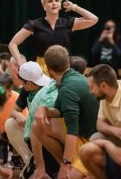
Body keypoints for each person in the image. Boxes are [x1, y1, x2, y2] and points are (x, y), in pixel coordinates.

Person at [33, 45, 99, 179]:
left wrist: (66, 164)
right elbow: (58, 111)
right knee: (37, 126)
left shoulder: (67, 89)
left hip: (90, 142)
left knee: (70, 176)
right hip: (84, 135)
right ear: (68, 62)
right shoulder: (72, 79)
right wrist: (43, 108)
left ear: (48, 70)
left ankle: (68, 167)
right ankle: (67, 166)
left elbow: (72, 130)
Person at [9, 0, 98, 73]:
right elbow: (13, 44)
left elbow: (94, 19)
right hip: (42, 70)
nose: (54, 3)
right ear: (44, 6)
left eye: (57, 1)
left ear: (60, 5)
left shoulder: (67, 23)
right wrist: (20, 63)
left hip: (64, 68)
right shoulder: (34, 24)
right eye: (50, 1)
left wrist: (75, 7)